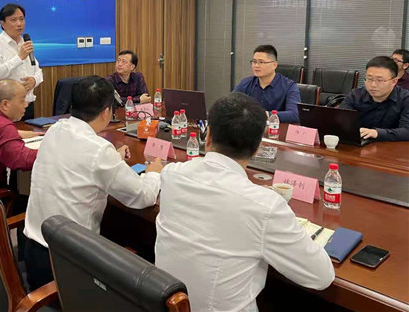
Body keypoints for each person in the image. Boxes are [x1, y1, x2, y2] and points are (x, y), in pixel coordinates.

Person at [155, 93, 334, 312]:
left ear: (208, 136)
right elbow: (322, 276)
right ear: (257, 148)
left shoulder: (172, 174)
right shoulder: (265, 206)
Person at [23, 75, 164, 290]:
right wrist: (153, 173)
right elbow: (143, 197)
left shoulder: (55, 130)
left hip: (34, 253)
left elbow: (78, 162)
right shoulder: (98, 150)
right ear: (106, 112)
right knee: (142, 252)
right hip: (69, 266)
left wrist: (113, 158)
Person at [0, 3, 43, 120]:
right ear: (3, 24)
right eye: (13, 20)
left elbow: (38, 70)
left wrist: (34, 80)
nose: (19, 24)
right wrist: (19, 57)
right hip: (6, 108)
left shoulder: (24, 43)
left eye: (21, 19)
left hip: (27, 105)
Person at [340, 56, 409, 142]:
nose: (373, 85)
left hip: (391, 147)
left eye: (379, 80)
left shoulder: (405, 99)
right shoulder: (356, 95)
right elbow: (339, 121)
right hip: (358, 146)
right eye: (369, 79)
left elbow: (407, 131)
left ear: (394, 81)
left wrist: (377, 133)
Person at [233, 44, 300, 123]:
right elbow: (230, 104)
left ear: (274, 65)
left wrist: (264, 115)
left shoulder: (289, 86)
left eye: (261, 62)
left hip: (276, 129)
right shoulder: (246, 83)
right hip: (250, 128)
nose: (256, 66)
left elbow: (295, 115)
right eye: (254, 62)